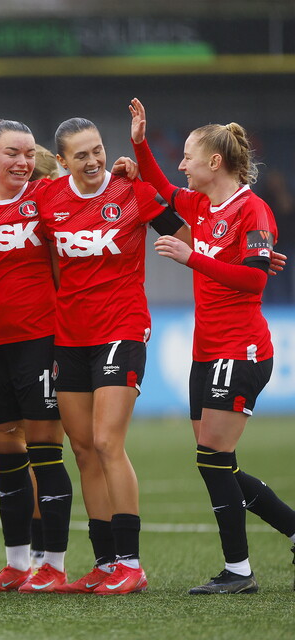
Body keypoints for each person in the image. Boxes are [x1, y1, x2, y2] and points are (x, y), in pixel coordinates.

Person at [130, 97, 295, 594]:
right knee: (216, 460)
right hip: (207, 351)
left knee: (213, 460)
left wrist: (191, 257)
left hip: (241, 351)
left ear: (214, 162)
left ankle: (239, 572)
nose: (180, 166)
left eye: (187, 156)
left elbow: (252, 282)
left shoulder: (254, 209)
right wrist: (138, 145)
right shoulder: (203, 205)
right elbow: (159, 188)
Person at [35, 116, 186, 595]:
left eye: (97, 149)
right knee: (82, 450)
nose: (94, 160)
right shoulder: (48, 199)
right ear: (61, 162)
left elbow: (181, 231)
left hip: (121, 328)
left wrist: (144, 174)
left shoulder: (130, 190)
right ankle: (104, 564)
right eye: (81, 154)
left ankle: (131, 563)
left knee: (105, 442)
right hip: (69, 336)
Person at [0, 121, 75, 594]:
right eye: (11, 153)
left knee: (45, 457)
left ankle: (56, 565)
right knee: (6, 461)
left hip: (39, 343)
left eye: (28, 153)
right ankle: (18, 563)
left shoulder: (45, 200)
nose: (22, 162)